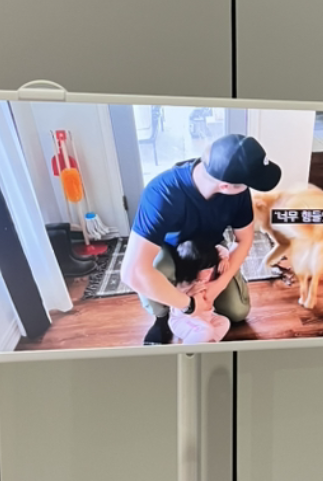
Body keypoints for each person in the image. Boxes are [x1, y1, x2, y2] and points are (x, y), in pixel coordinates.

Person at [120, 133, 282, 345]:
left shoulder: (238, 193)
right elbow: (132, 271)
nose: (247, 189)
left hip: (210, 249)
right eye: (246, 185)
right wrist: (188, 305)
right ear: (225, 186)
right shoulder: (162, 193)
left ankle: (195, 309)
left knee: (237, 311)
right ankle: (162, 317)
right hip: (171, 250)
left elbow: (245, 240)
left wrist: (218, 285)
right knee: (153, 272)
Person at [168, 239, 231, 345]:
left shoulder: (209, 266)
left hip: (206, 317)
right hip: (183, 320)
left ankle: (209, 345)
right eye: (204, 270)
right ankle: (186, 351)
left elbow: (220, 249)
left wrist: (223, 259)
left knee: (224, 322)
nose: (208, 273)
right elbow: (176, 310)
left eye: (211, 269)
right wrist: (189, 295)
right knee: (206, 330)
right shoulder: (185, 283)